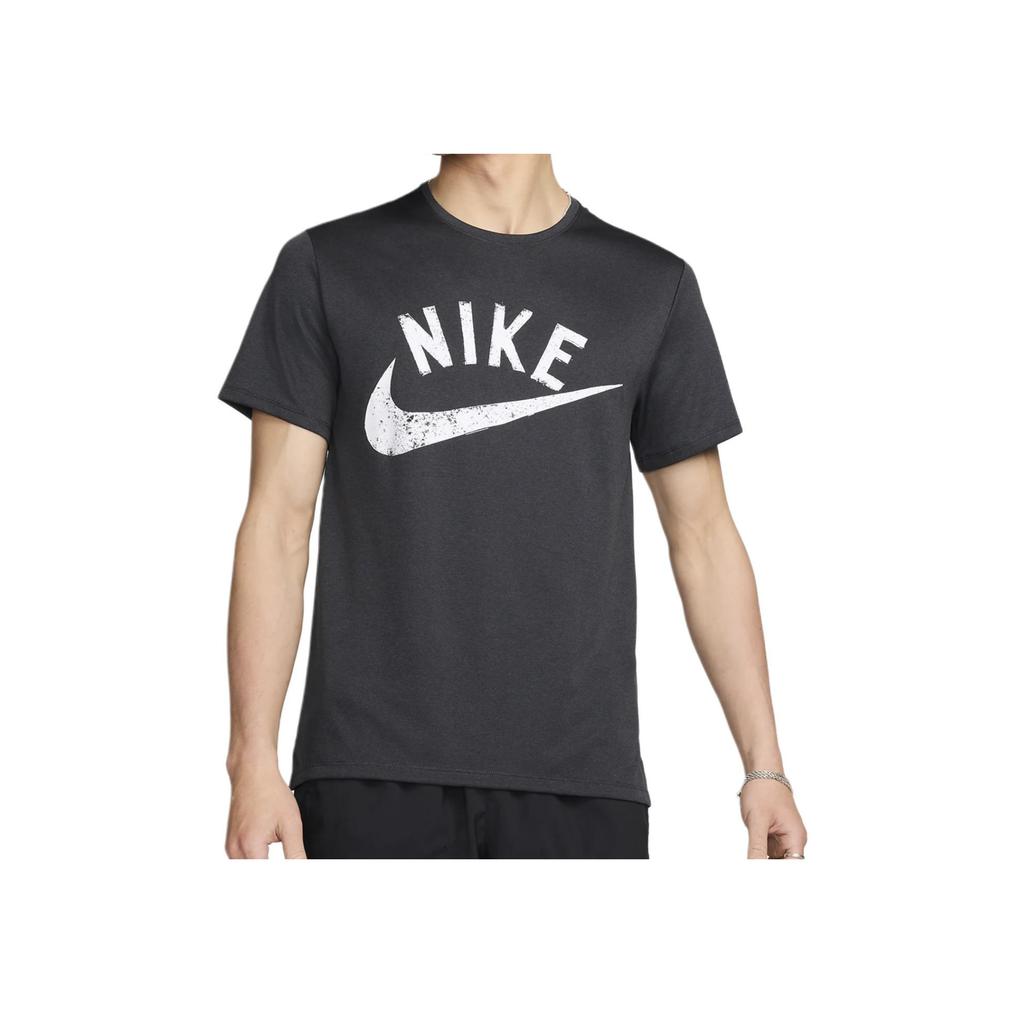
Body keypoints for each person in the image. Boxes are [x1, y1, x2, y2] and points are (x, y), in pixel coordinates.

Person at [220, 153, 807, 859]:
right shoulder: (329, 265)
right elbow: (277, 523)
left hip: (582, 778)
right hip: (367, 769)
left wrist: (765, 767)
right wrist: (252, 762)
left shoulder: (650, 285)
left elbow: (705, 537)